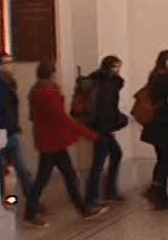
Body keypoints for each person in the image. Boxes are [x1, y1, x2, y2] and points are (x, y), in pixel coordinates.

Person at [23, 60, 108, 226]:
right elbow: (62, 118)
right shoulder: (49, 92)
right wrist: (87, 133)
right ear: (52, 73)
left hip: (46, 139)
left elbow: (36, 117)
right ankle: (31, 213)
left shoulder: (36, 90)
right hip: (54, 140)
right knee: (52, 177)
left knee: (61, 176)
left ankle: (81, 209)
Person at [140, 50, 168, 210]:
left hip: (159, 126)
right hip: (165, 126)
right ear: (163, 61)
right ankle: (155, 188)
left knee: (163, 159)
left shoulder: (156, 76)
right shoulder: (164, 78)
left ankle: (161, 196)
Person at [84, 55, 129, 207]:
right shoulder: (107, 84)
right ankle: (94, 196)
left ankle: (108, 191)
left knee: (114, 155)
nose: (118, 70)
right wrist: (113, 124)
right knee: (98, 162)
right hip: (102, 129)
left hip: (101, 128)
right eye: (116, 67)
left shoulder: (103, 81)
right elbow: (106, 109)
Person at [0, 54, 35, 208]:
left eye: (12, 62)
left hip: (11, 132)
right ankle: (0, 202)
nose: (11, 65)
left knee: (22, 169)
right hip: (1, 133)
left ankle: (31, 201)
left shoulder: (10, 83)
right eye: (7, 63)